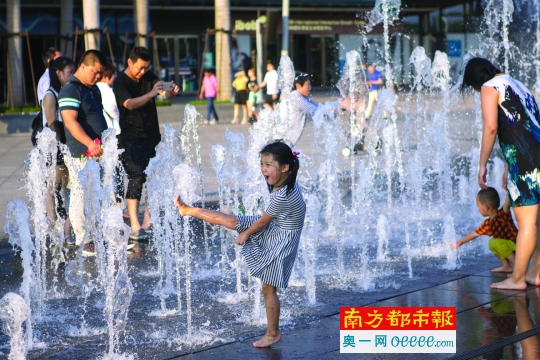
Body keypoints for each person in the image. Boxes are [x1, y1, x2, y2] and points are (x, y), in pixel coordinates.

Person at [175, 141, 306, 348]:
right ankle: (188, 210)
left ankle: (273, 333)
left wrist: (245, 234)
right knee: (233, 220)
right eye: (262, 164)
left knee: (268, 288)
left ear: (285, 167)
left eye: (269, 164)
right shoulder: (287, 181)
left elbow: (263, 222)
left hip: (282, 238)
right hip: (278, 227)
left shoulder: (282, 195)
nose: (264, 169)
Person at [462, 57, 540, 290]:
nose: (478, 93)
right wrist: (508, 163)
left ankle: (517, 279)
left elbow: (491, 128)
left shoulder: (489, 87)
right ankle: (535, 272)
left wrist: (482, 164)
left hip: (524, 160)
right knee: (537, 220)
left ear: (477, 83)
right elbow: (525, 123)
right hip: (534, 154)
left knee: (526, 223)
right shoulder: (516, 84)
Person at [114, 46, 179, 241]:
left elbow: (165, 90)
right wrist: (152, 94)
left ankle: (148, 221)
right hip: (131, 137)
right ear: (130, 62)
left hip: (152, 136)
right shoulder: (120, 82)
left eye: (146, 68)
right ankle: (134, 224)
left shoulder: (149, 76)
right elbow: (129, 104)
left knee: (154, 177)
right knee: (137, 177)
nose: (143, 72)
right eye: (140, 68)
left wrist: (172, 91)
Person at [59, 50, 108, 256]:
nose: (98, 77)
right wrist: (89, 143)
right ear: (83, 66)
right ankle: (82, 240)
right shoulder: (70, 90)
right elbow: (70, 121)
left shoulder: (92, 89)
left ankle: (92, 236)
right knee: (79, 194)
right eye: (95, 72)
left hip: (96, 152)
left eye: (100, 73)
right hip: (81, 152)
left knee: (93, 195)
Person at [42, 56, 75, 247]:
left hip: (66, 147)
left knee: (67, 190)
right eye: (69, 72)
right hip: (56, 149)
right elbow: (52, 126)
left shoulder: (65, 91)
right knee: (53, 188)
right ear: (58, 73)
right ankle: (54, 230)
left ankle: (67, 231)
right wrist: (60, 153)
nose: (71, 76)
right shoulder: (51, 95)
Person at [451, 188, 517, 273]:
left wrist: (509, 187)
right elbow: (474, 233)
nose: (478, 209)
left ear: (485, 207)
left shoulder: (502, 214)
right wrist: (460, 242)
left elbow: (507, 202)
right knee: (491, 243)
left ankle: (518, 269)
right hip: (510, 248)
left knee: (496, 242)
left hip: (518, 246)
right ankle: (506, 266)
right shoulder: (488, 224)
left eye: (478, 206)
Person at [96, 62, 124, 208]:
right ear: (108, 75)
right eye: (113, 75)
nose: (114, 78)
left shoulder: (93, 88)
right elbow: (115, 111)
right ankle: (118, 204)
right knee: (117, 169)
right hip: (114, 133)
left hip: (100, 135)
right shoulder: (108, 90)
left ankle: (105, 204)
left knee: (104, 171)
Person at [286, 73, 319, 147]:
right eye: (308, 85)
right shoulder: (296, 98)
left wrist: (338, 105)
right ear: (298, 86)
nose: (310, 87)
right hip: (281, 138)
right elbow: (315, 110)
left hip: (286, 139)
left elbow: (318, 106)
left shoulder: (303, 97)